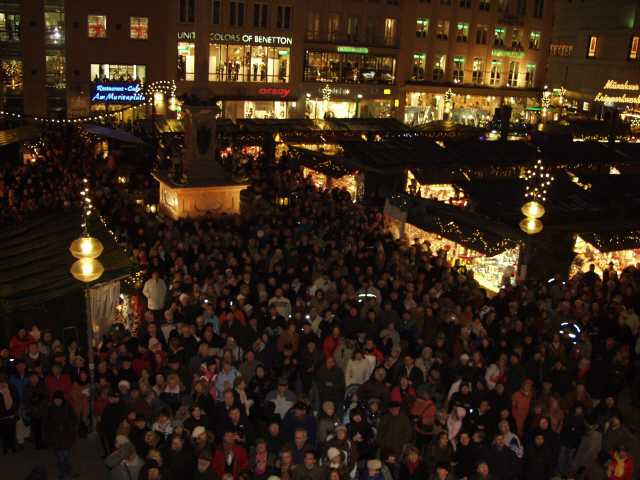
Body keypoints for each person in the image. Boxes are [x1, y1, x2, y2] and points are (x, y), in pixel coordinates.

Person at [44, 390, 77, 480]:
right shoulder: (50, 409)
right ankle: (64, 474)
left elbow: (74, 419)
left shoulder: (68, 407)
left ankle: (65, 471)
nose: (57, 401)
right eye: (55, 400)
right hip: (56, 438)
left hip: (66, 437)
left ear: (62, 400)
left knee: (65, 456)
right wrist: (49, 435)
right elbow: (47, 423)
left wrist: (67, 426)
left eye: (59, 400)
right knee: (60, 457)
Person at [0, 372, 19, 454]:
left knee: (12, 431)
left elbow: (16, 399)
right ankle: (5, 447)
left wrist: (14, 410)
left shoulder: (12, 387)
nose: (3, 381)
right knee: (4, 432)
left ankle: (13, 446)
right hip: (2, 414)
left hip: (11, 412)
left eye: (4, 379)